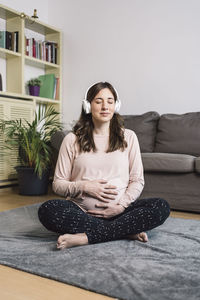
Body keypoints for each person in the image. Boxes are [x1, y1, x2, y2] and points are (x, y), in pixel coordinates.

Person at [38, 81, 170, 250]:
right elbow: (58, 184)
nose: (105, 106)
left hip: (120, 212)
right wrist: (85, 186)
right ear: (88, 105)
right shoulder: (71, 140)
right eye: (98, 101)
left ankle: (86, 237)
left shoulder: (128, 137)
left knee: (160, 206)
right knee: (48, 210)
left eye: (110, 101)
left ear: (116, 105)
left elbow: (137, 180)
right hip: (82, 212)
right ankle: (124, 231)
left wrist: (120, 206)